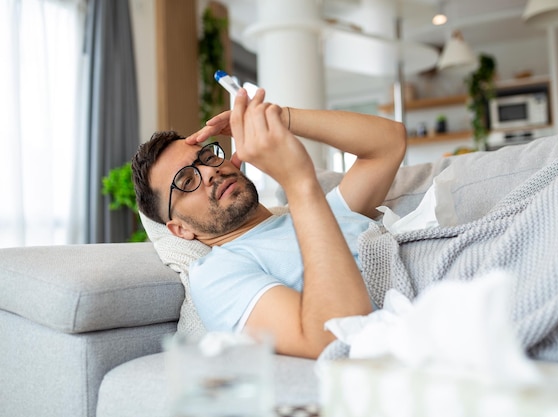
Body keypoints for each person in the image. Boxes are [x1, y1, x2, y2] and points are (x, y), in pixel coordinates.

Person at [132, 87, 407, 359]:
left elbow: (389, 143)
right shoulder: (217, 273)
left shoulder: (318, 213)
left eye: (207, 157)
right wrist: (298, 181)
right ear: (181, 229)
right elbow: (334, 338)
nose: (209, 171)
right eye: (188, 182)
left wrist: (278, 119)